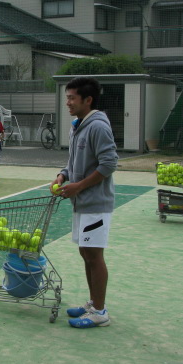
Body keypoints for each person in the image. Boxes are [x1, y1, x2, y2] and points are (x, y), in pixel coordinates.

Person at [50, 77, 118, 329]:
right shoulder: (78, 126)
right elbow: (74, 162)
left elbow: (109, 164)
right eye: (67, 97)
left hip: (96, 203)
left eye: (72, 98)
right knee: (86, 253)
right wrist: (63, 175)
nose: (67, 102)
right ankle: (93, 303)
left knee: (94, 256)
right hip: (81, 203)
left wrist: (78, 186)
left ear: (88, 100)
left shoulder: (98, 127)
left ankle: (100, 312)